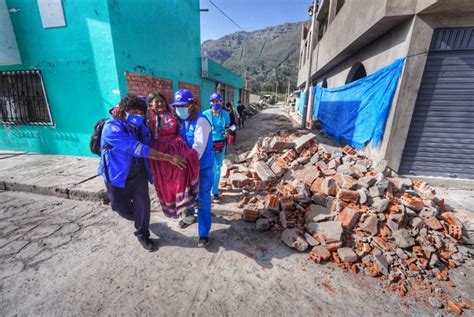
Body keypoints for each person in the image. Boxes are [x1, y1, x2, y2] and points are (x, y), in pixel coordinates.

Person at [98, 95, 186, 251]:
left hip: (139, 173)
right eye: (134, 112)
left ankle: (142, 233)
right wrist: (167, 157)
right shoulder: (111, 127)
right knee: (120, 208)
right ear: (124, 111)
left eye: (141, 113)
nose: (138, 115)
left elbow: (150, 125)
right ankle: (132, 213)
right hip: (116, 175)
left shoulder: (140, 125)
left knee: (143, 205)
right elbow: (137, 148)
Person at [172, 89, 215, 247]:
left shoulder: (201, 122)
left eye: (183, 105)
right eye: (177, 106)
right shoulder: (179, 121)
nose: (180, 109)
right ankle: (189, 216)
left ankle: (203, 233)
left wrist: (178, 160)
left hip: (202, 168)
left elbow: (198, 149)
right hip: (184, 167)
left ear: (192, 105)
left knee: (203, 199)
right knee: (186, 194)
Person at [146, 91, 200, 219]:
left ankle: (187, 204)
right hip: (161, 151)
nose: (160, 103)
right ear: (151, 105)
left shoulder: (173, 113)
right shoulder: (148, 118)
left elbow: (187, 114)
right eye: (156, 102)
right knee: (168, 182)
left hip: (177, 145)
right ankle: (179, 208)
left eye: (162, 100)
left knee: (183, 170)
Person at [203, 92, 231, 202]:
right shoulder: (205, 114)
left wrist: (227, 132)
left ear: (221, 102)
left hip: (221, 143)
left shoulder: (225, 114)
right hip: (208, 144)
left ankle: (214, 191)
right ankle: (207, 189)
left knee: (218, 168)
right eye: (213, 101)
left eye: (218, 101)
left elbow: (228, 126)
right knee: (210, 167)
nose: (215, 103)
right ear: (210, 102)